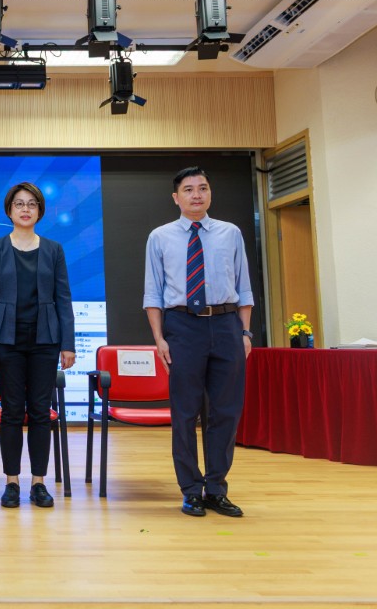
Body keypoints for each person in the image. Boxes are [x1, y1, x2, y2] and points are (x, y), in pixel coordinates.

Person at [143, 166, 254, 518]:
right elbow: (153, 293)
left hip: (226, 324)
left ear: (210, 194)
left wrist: (245, 333)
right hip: (182, 326)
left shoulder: (230, 233)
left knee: (225, 411)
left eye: (203, 188)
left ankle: (216, 489)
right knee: (185, 412)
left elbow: (244, 288)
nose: (196, 195)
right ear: (176, 197)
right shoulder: (160, 237)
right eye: (189, 189)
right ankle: (191, 490)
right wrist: (160, 338)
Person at [0, 182, 76, 509]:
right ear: (9, 210)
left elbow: (63, 299)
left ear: (40, 211)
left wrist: (68, 343)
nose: (25, 209)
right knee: (12, 412)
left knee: (40, 412)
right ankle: (11, 482)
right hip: (6, 341)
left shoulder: (53, 249)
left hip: (45, 341)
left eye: (32, 204)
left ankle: (38, 483)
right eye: (19, 204)